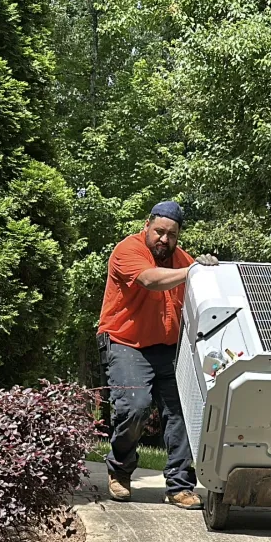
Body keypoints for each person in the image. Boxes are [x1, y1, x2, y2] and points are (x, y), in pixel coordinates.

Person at [96, 200, 217, 509]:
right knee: (135, 407)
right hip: (126, 342)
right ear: (147, 226)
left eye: (172, 234)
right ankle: (120, 470)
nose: (164, 239)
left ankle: (179, 485)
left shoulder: (185, 261)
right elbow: (150, 280)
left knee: (184, 413)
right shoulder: (128, 250)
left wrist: (208, 272)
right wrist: (194, 271)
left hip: (168, 347)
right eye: (159, 231)